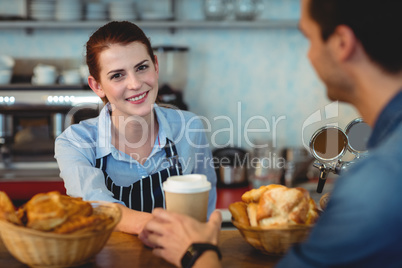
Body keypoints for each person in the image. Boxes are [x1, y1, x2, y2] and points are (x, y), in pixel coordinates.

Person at [139, 0, 402, 267]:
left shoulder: (376, 181)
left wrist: (195, 252)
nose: (309, 55)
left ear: (342, 44)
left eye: (308, 39)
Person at [54, 21, 217, 235]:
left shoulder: (190, 127)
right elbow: (99, 207)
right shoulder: (75, 142)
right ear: (97, 86)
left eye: (142, 68)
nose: (135, 84)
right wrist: (173, 230)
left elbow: (203, 208)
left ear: (156, 66)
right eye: (117, 75)